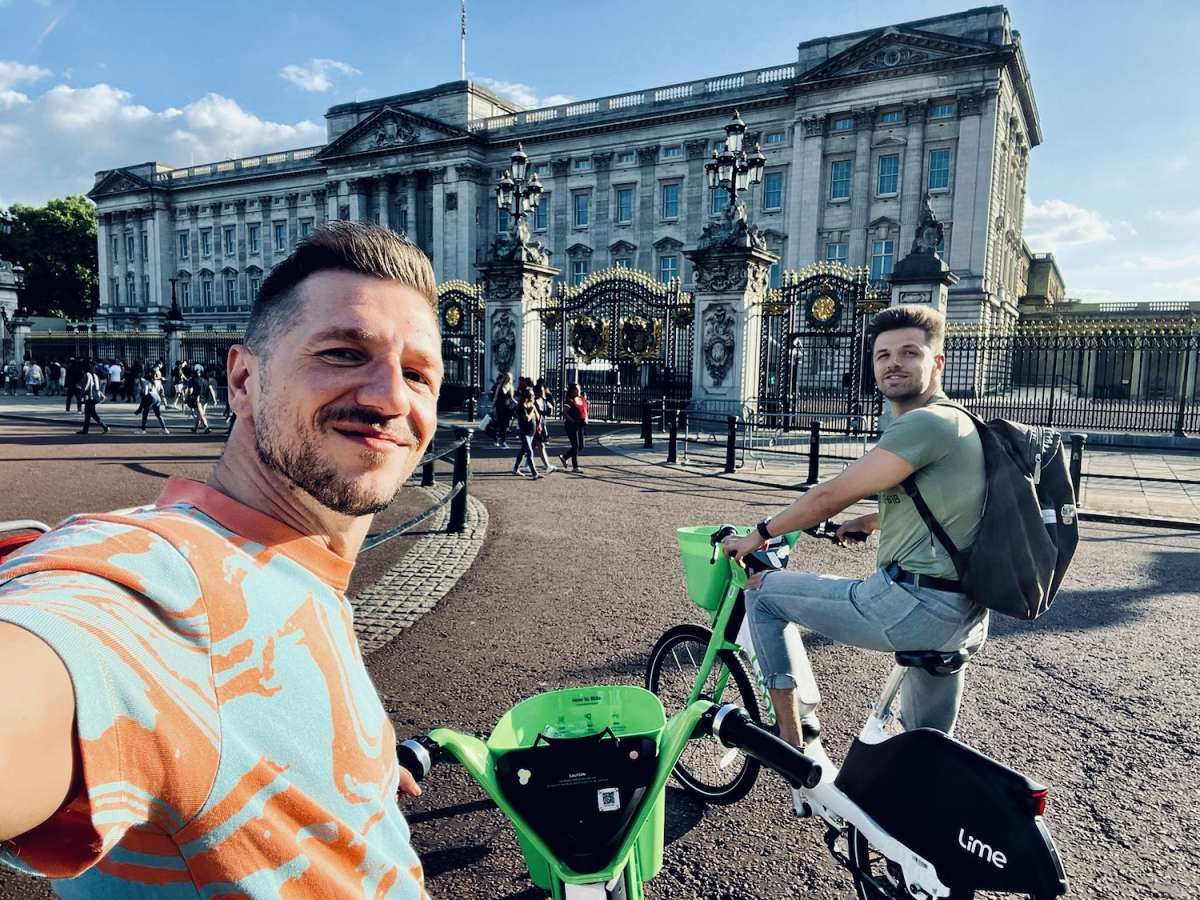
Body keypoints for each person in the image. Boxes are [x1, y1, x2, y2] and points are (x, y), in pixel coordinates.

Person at [0, 222, 441, 898]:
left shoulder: (294, 568)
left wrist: (356, 770)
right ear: (241, 380)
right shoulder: (159, 578)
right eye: (344, 353)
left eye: (418, 373)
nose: (390, 397)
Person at [722, 304, 987, 766]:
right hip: (963, 614)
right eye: (883, 355)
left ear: (937, 362)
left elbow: (829, 496)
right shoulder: (960, 421)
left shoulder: (924, 423)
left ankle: (788, 741)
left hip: (911, 607)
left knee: (763, 595)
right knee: (926, 757)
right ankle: (912, 828)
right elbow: (949, 506)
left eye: (909, 352)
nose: (893, 363)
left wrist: (759, 535)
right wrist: (871, 521)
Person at [511, 385, 543, 478]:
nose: (534, 397)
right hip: (524, 432)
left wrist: (539, 425)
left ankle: (515, 469)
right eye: (532, 395)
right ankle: (534, 473)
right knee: (529, 452)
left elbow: (537, 417)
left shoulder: (531, 404)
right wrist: (532, 410)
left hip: (531, 432)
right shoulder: (522, 406)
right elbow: (527, 418)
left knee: (522, 451)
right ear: (527, 396)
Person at [559, 382, 588, 473]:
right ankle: (575, 467)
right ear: (572, 391)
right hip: (571, 425)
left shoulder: (582, 398)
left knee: (581, 446)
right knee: (575, 445)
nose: (579, 390)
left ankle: (565, 457)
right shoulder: (569, 401)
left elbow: (585, 409)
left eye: (579, 388)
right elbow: (564, 413)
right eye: (576, 389)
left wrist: (586, 418)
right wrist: (573, 421)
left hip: (581, 425)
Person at [75, 366, 109, 434]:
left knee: (92, 414)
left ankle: (105, 427)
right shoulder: (95, 376)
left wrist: (81, 394)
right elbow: (97, 388)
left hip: (90, 397)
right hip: (95, 397)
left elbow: (86, 386)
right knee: (89, 414)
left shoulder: (87, 375)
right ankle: (86, 430)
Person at [532, 383, 555, 474]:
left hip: (540, 426)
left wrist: (550, 409)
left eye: (543, 391)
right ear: (536, 392)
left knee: (532, 447)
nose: (543, 393)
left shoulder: (543, 400)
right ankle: (547, 465)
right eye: (541, 391)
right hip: (533, 426)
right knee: (540, 446)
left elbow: (547, 413)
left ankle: (525, 465)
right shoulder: (532, 401)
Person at [490, 371, 514, 449]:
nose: (508, 379)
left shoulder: (511, 387)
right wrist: (492, 407)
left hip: (507, 408)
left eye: (509, 378)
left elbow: (512, 399)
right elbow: (496, 397)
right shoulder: (499, 386)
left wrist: (518, 404)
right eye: (507, 377)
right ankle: (499, 440)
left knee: (505, 425)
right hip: (499, 407)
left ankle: (502, 441)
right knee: (499, 424)